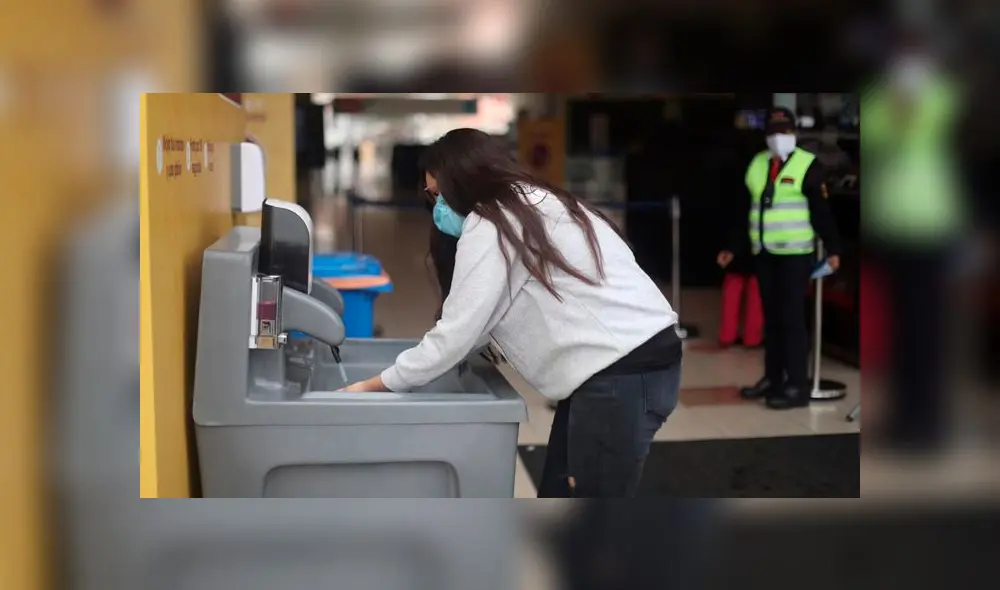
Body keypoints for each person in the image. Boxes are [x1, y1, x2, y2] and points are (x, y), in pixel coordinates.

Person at [342, 128, 682, 497]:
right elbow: (486, 314)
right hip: (624, 366)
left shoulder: (493, 221)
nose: (437, 207)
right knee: (560, 491)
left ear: (467, 181)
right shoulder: (535, 202)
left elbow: (457, 333)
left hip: (622, 373)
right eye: (431, 197)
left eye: (440, 195)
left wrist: (373, 385)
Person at [717, 107, 842, 410]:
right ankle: (773, 379)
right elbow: (745, 209)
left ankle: (796, 385)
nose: (778, 137)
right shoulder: (757, 164)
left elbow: (822, 213)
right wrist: (732, 247)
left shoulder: (808, 165)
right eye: (773, 132)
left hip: (795, 255)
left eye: (784, 131)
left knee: (791, 321)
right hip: (766, 254)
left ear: (794, 133)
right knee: (771, 322)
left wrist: (835, 249)